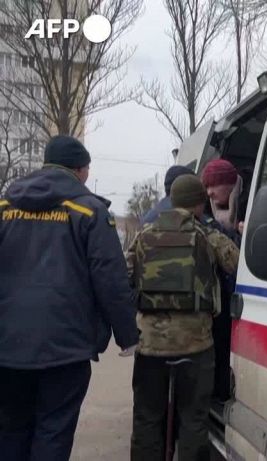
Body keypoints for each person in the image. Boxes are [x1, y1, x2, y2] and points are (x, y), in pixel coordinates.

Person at [0, 135, 139, 461]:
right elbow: (111, 279)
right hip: (65, 348)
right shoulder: (90, 212)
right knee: (53, 432)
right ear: (80, 170)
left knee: (10, 430)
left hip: (6, 347)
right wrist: (127, 335)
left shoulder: (4, 208)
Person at [128, 174, 239, 461]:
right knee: (193, 419)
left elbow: (123, 276)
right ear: (199, 203)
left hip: (150, 346)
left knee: (147, 418)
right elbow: (237, 264)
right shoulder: (208, 235)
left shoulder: (144, 234)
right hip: (196, 345)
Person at [201, 158, 245, 233]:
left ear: (231, 183)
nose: (209, 192)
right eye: (207, 187)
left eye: (214, 185)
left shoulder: (251, 204)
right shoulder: (205, 211)